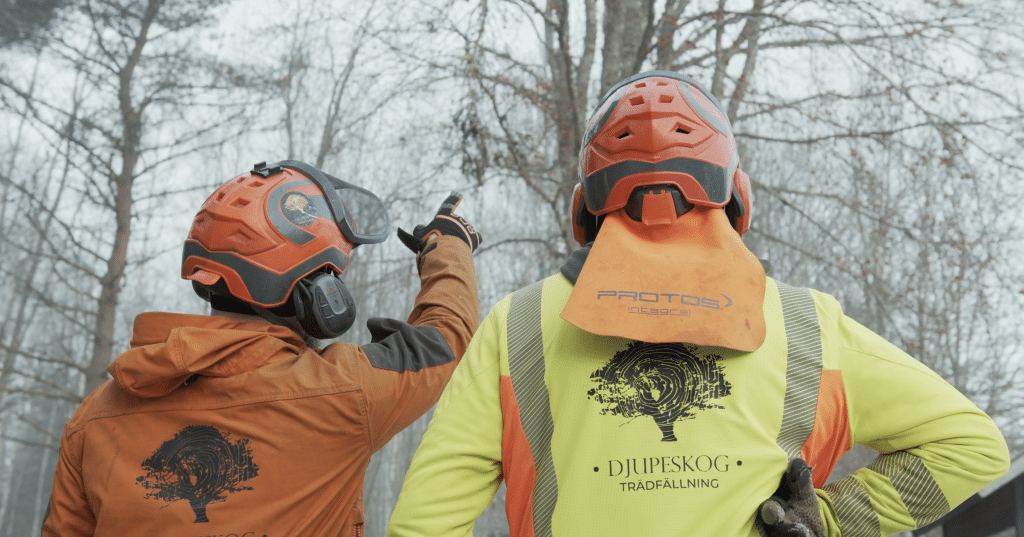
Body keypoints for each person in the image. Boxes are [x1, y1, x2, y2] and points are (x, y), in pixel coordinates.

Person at [386, 72, 1009, 537]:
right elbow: (971, 446)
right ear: (734, 193)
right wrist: (832, 521)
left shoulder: (518, 324)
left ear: (586, 205)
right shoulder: (803, 324)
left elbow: (423, 522)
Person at [42, 160, 481, 536]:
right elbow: (446, 336)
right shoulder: (344, 395)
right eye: (331, 277)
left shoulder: (94, 417)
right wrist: (448, 247)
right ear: (315, 293)